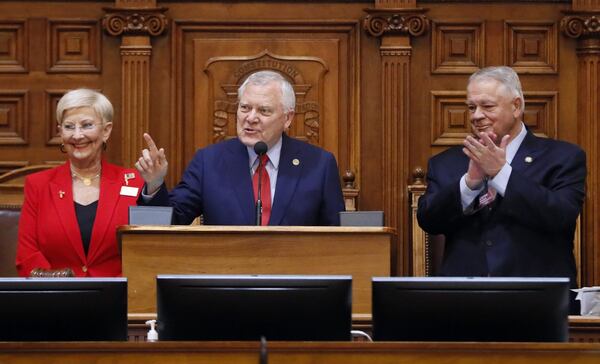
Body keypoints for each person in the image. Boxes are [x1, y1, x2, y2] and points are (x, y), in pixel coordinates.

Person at [417, 66, 586, 310]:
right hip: (462, 304)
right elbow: (428, 220)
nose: (476, 115)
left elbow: (560, 216)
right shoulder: (447, 162)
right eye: (471, 107)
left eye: (487, 106)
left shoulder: (562, 157)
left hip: (538, 303)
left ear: (516, 106)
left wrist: (501, 174)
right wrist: (469, 184)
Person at [136, 70, 345, 225]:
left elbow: (337, 238)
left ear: (287, 118)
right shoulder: (208, 162)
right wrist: (154, 185)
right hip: (227, 278)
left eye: (263, 110)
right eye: (244, 108)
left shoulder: (319, 165)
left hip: (296, 279)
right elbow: (171, 221)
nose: (250, 118)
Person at [16, 89, 143, 277]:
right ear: (60, 132)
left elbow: (146, 251)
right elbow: (27, 254)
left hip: (119, 299)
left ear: (106, 130)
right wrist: (61, 290)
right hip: (54, 299)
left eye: (87, 125)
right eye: (69, 127)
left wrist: (114, 292)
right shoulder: (38, 185)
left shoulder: (135, 183)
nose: (77, 136)